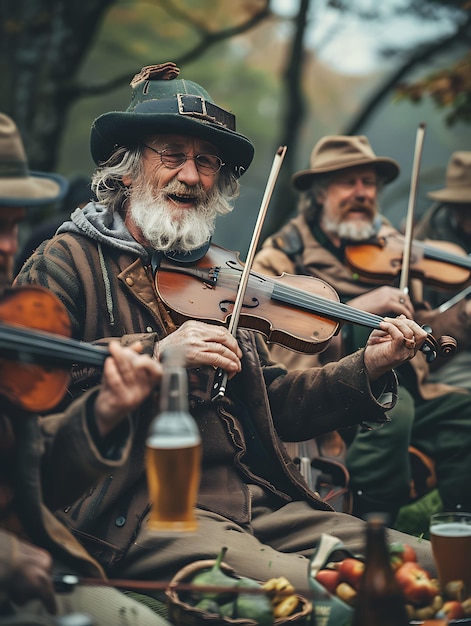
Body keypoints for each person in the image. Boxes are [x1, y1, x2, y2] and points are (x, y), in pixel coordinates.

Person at [15, 62, 437, 593]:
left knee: (429, 560)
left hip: (250, 498)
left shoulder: (221, 277)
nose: (190, 176)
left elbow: (279, 404)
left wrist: (368, 365)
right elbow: (30, 391)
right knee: (325, 588)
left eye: (207, 162)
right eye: (171, 155)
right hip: (143, 509)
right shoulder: (65, 260)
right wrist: (157, 352)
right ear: (127, 167)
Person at [0, 112, 168, 625]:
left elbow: (28, 476)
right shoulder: (65, 261)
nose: (8, 245)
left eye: (11, 225)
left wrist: (102, 413)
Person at [253, 134, 471, 529]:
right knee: (393, 407)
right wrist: (355, 311)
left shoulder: (391, 247)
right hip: (330, 393)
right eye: (347, 182)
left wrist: (457, 320)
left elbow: (423, 321)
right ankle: (375, 529)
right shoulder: (280, 257)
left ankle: (458, 528)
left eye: (369, 183)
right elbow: (277, 353)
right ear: (320, 193)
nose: (362, 193)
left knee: (463, 412)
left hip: (415, 383)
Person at [413, 151, 471, 390]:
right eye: (463, 208)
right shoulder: (427, 241)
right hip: (448, 354)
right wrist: (463, 314)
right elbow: (423, 323)